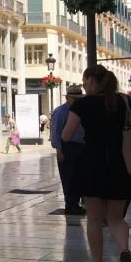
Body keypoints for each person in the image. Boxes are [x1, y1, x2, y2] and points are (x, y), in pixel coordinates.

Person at [61, 65, 131, 262]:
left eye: (85, 81)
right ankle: (125, 252)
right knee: (116, 219)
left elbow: (66, 134)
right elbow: (127, 135)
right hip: (117, 165)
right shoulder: (123, 102)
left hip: (91, 164)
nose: (84, 85)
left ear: (92, 80)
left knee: (94, 218)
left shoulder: (83, 104)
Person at [50, 85, 85, 216]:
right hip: (67, 147)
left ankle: (76, 203)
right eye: (75, 98)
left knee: (78, 176)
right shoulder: (60, 111)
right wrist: (59, 150)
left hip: (80, 146)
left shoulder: (81, 110)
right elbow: (55, 132)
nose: (77, 101)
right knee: (68, 177)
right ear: (68, 98)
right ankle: (70, 205)